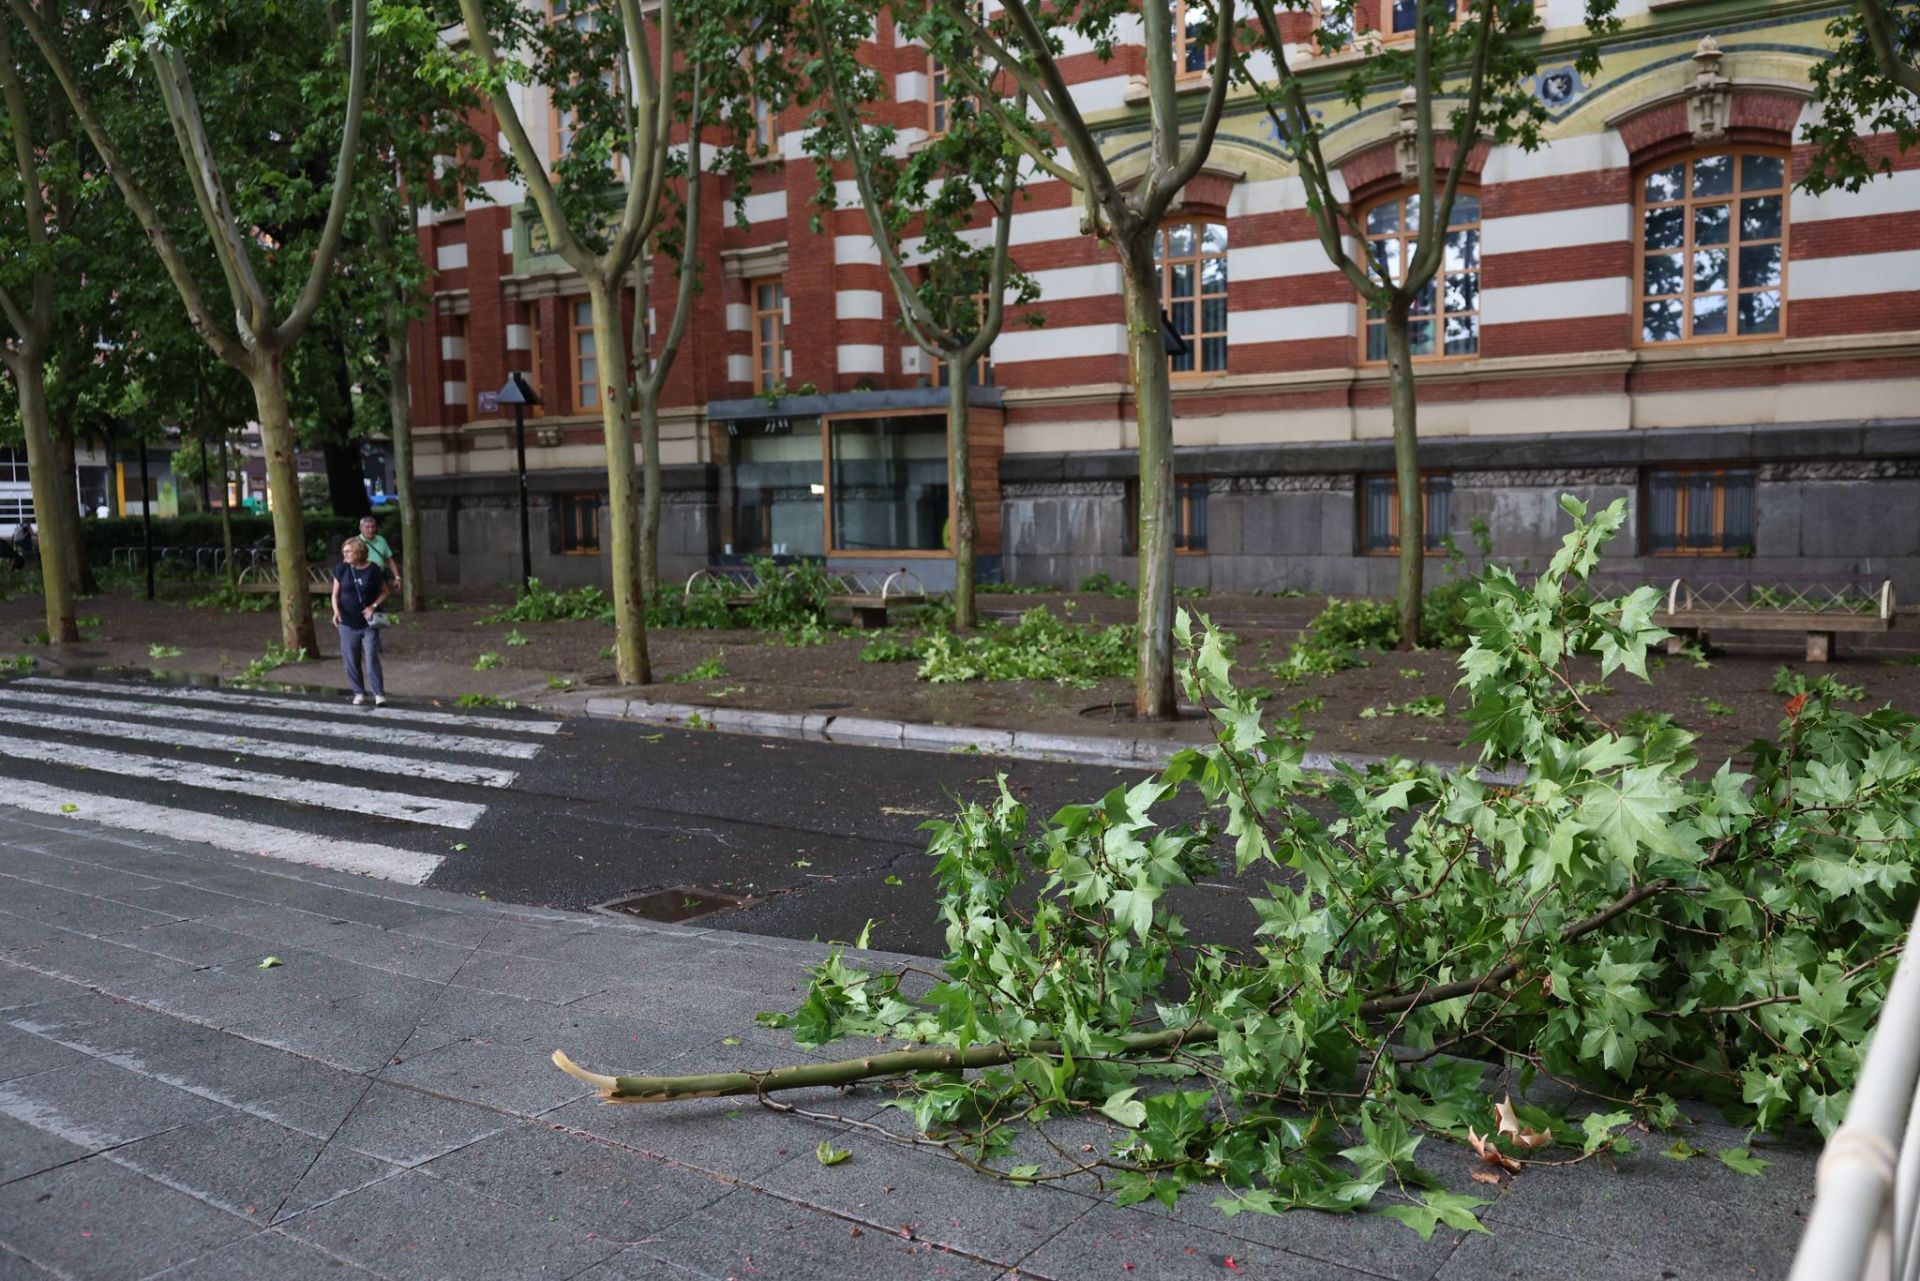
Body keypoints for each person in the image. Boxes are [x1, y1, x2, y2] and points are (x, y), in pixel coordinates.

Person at [331, 536, 390, 707]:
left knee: (371, 658)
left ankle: (378, 693)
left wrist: (373, 606)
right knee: (351, 659)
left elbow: (385, 592)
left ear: (359, 551)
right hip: (347, 622)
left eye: (348, 551)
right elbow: (335, 595)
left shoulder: (373, 570)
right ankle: (359, 692)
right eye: (344, 551)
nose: (345, 554)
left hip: (368, 623)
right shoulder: (341, 569)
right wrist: (336, 611)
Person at [357, 514, 401, 597]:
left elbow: (389, 560)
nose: (371, 530)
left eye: (373, 527)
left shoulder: (381, 540)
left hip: (380, 576)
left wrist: (397, 577)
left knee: (381, 600)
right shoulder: (356, 542)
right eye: (367, 527)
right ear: (361, 528)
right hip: (362, 577)